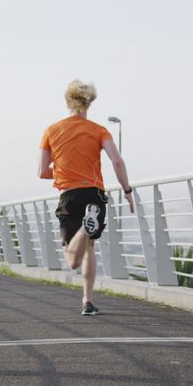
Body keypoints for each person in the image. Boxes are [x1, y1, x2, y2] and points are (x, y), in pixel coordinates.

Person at [38, 80, 134, 315]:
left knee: (72, 260)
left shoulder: (51, 130)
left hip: (69, 195)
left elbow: (42, 171)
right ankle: (87, 301)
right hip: (95, 193)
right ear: (89, 103)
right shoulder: (100, 130)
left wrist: (62, 171)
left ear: (67, 101)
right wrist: (127, 191)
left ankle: (83, 228)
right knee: (90, 247)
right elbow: (117, 161)